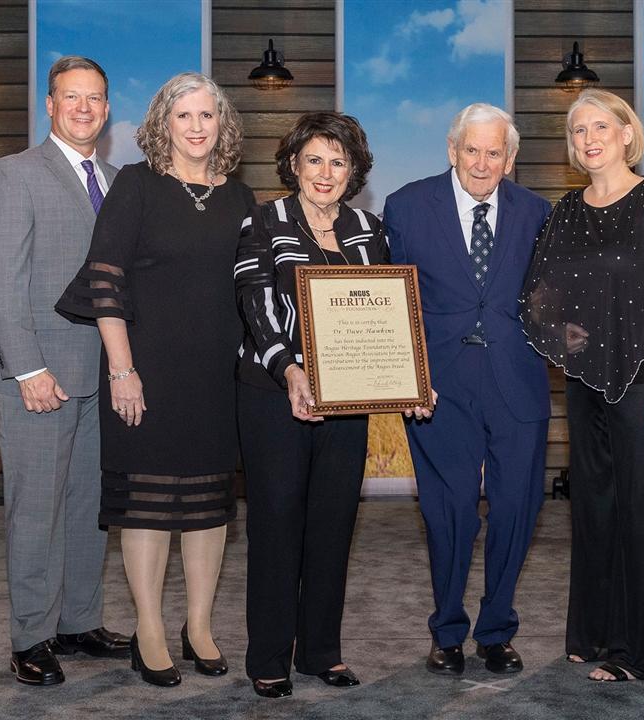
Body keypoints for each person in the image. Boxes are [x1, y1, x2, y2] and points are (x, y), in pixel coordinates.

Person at [55, 72, 253, 687]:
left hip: (219, 376)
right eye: (184, 115)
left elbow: (254, 287)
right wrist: (123, 369)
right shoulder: (136, 186)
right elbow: (105, 281)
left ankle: (198, 626)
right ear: (162, 122)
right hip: (146, 372)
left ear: (222, 124)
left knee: (207, 507)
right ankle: (149, 630)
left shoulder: (241, 197)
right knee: (145, 506)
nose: (197, 127)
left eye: (208, 116)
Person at [521, 89, 644, 683]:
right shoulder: (567, 211)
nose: (589, 138)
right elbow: (539, 296)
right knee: (598, 508)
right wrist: (574, 342)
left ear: (628, 133)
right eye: (578, 130)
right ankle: (600, 633)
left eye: (601, 126)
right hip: (590, 383)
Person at [0, 55, 130, 686]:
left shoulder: (121, 181)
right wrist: (26, 368)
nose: (84, 108)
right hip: (40, 377)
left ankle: (79, 621)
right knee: (36, 510)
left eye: (95, 98)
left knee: (89, 507)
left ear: (107, 107)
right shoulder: (14, 174)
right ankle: (31, 636)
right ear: (49, 104)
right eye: (72, 97)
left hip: (103, 374)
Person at [383, 104, 552, 676]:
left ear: (510, 158)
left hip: (518, 379)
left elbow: (554, 300)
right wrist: (404, 376)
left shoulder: (538, 212)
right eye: (472, 150)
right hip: (439, 384)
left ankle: (497, 629)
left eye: (495, 152)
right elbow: (389, 302)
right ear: (452, 150)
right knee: (449, 508)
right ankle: (447, 630)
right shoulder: (406, 207)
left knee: (515, 507)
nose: (483, 163)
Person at [235, 112, 388, 699]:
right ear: (294, 164)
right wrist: (291, 368)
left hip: (348, 401)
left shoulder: (369, 228)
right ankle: (269, 657)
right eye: (315, 160)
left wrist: (409, 375)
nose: (326, 173)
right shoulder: (264, 220)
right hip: (275, 396)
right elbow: (255, 302)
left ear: (354, 171)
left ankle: (321, 651)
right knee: (276, 526)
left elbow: (384, 314)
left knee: (333, 526)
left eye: (338, 162)